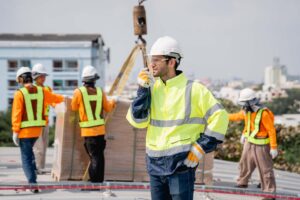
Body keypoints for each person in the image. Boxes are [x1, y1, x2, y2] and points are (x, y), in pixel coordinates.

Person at [126, 36, 229, 200]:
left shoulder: (194, 89)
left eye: (156, 60)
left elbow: (220, 116)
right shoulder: (150, 88)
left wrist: (200, 148)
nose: (151, 64)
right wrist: (141, 90)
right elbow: (137, 121)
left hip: (181, 164)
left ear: (172, 62)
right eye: (150, 60)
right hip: (155, 164)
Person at [11, 67, 64, 192]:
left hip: (25, 132)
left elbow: (16, 114)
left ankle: (32, 184)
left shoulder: (20, 93)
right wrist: (65, 98)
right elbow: (55, 98)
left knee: (26, 159)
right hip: (37, 131)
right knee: (30, 155)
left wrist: (15, 131)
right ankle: (33, 175)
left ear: (21, 79)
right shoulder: (41, 91)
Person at [71, 65, 116, 183]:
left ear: (84, 80)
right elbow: (108, 108)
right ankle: (96, 180)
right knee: (98, 156)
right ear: (95, 79)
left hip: (88, 131)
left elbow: (73, 106)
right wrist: (113, 101)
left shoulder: (78, 92)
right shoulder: (100, 92)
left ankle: (96, 181)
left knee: (95, 156)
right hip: (100, 130)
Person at [229, 88, 277, 195]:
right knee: (244, 163)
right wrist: (222, 116)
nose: (242, 106)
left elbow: (271, 130)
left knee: (265, 169)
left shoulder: (264, 113)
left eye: (244, 103)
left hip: (262, 145)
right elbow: (238, 117)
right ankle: (242, 182)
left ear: (250, 102)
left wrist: (273, 147)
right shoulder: (248, 111)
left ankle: (269, 192)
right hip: (249, 142)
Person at [32, 63, 54, 173]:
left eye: (44, 76)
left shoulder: (48, 89)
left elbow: (53, 102)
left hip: (45, 122)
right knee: (38, 147)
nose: (44, 78)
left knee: (44, 146)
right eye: (41, 76)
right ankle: (36, 168)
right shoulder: (32, 89)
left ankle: (41, 167)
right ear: (35, 76)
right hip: (35, 123)